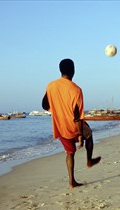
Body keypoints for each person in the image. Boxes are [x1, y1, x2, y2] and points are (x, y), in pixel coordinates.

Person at [42, 58, 101, 189]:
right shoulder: (76, 90)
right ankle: (89, 160)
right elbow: (76, 116)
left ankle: (71, 182)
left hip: (60, 125)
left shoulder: (51, 85)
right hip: (74, 125)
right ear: (73, 70)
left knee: (70, 153)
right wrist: (80, 135)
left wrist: (58, 111)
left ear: (60, 70)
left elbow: (44, 105)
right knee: (89, 135)